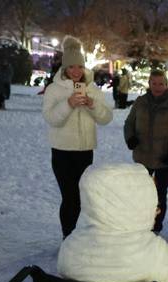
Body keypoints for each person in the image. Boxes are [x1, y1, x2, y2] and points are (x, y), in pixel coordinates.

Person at [42, 35, 113, 238]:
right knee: (70, 197)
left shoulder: (92, 89)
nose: (75, 71)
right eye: (71, 67)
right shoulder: (54, 90)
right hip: (62, 151)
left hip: (85, 151)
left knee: (82, 197)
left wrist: (92, 105)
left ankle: (79, 237)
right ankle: (68, 237)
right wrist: (68, 104)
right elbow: (51, 118)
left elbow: (106, 117)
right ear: (65, 68)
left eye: (79, 67)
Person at [124, 70, 168, 234]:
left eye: (161, 84)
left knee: (159, 194)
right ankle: (141, 223)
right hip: (142, 156)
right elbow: (129, 123)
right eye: (154, 83)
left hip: (164, 158)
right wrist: (130, 138)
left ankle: (156, 226)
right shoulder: (140, 102)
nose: (158, 87)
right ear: (149, 84)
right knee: (141, 193)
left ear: (166, 84)